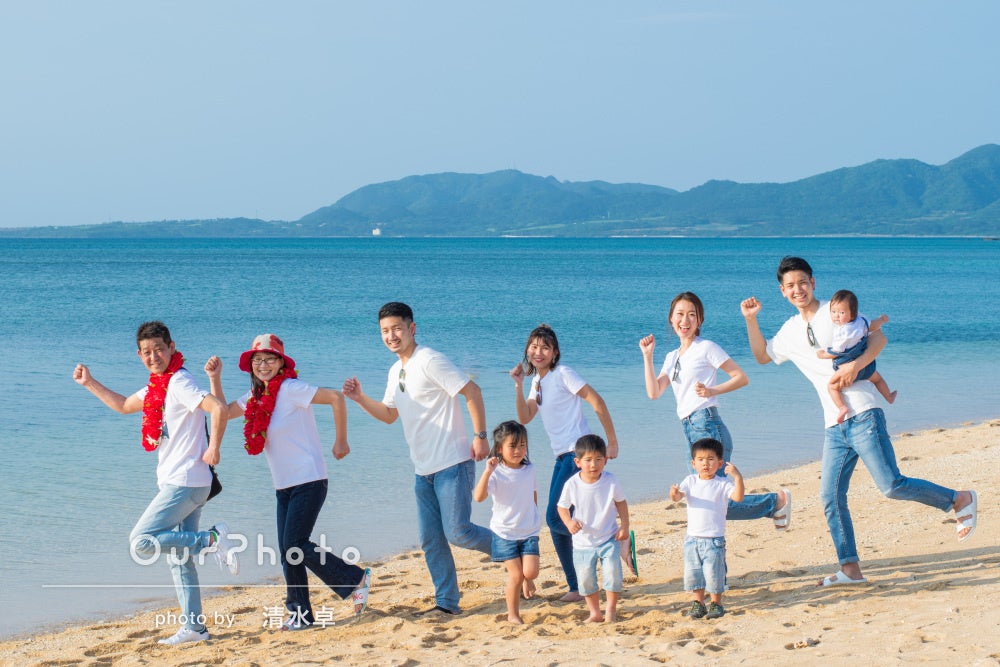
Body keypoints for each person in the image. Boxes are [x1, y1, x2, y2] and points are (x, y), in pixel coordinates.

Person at [741, 256, 978, 587]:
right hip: (834, 424)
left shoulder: (836, 311)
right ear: (782, 291)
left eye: (803, 282)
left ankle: (958, 499)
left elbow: (879, 338)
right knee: (831, 497)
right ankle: (850, 569)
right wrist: (751, 320)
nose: (798, 290)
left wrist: (855, 366)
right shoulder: (790, 331)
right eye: (791, 286)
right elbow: (763, 356)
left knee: (891, 485)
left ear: (814, 283)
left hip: (864, 412)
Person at [72, 321, 239, 646]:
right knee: (179, 557)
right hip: (185, 483)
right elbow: (122, 405)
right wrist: (89, 382)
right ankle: (195, 628)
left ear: (172, 347)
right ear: (139, 355)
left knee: (141, 540)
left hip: (186, 482)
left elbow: (217, 407)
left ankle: (211, 539)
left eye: (159, 349)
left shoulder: (179, 382)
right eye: (147, 352)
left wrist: (214, 447)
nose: (154, 356)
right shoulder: (156, 388)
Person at [209, 333, 371, 631]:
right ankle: (300, 615)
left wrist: (341, 441)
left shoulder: (293, 388)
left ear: (281, 362)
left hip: (309, 479)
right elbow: (222, 412)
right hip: (283, 486)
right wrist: (215, 379)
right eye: (257, 360)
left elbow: (335, 397)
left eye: (270, 359)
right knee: (289, 551)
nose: (263, 365)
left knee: (295, 545)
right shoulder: (254, 399)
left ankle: (353, 578)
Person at [343, 302, 492, 616]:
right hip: (422, 469)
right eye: (385, 331)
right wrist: (359, 399)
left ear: (412, 328)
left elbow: (472, 391)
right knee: (430, 539)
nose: (391, 335)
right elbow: (388, 415)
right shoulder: (395, 370)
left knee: (459, 532)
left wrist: (480, 436)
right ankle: (447, 604)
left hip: (452, 461)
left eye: (397, 328)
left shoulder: (430, 360)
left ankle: (515, 549)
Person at [639, 291, 790, 528]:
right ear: (671, 318)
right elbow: (654, 392)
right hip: (690, 428)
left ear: (699, 321)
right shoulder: (671, 357)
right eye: (680, 314)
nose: (685, 321)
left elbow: (741, 377)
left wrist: (712, 390)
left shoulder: (706, 347)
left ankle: (775, 502)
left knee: (714, 498)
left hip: (707, 425)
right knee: (706, 497)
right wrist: (647, 357)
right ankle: (774, 507)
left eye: (692, 315)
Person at [510, 324, 621, 603]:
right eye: (534, 347)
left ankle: (596, 554)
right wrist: (518, 384)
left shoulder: (563, 374)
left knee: (554, 517)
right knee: (562, 518)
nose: (538, 352)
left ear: (555, 352)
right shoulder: (537, 382)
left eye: (545, 347)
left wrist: (611, 441)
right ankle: (580, 583)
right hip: (562, 457)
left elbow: (596, 400)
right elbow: (525, 417)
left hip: (578, 453)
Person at [473, 420, 541, 625]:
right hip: (504, 533)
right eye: (512, 446)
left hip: (529, 530)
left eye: (522, 445)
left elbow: (533, 493)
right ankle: (513, 614)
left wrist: (535, 516)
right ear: (500, 448)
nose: (518, 450)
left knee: (531, 572)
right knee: (516, 575)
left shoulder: (529, 469)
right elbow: (478, 497)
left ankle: (527, 581)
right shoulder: (496, 473)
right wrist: (487, 472)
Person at [556, 435, 629, 623]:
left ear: (605, 460)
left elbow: (621, 503)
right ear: (578, 462)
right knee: (586, 580)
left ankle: (611, 610)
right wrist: (569, 523)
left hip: (608, 537)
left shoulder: (611, 481)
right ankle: (595, 612)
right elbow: (562, 507)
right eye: (588, 460)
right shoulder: (572, 483)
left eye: (598, 459)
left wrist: (625, 526)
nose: (593, 465)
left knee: (613, 575)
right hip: (582, 542)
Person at [670, 438, 744, 620]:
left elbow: (738, 497)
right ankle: (698, 603)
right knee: (694, 572)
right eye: (701, 459)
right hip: (692, 538)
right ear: (693, 463)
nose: (705, 463)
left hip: (714, 538)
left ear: (719, 463)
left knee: (714, 573)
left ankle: (716, 603)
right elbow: (679, 496)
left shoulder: (722, 483)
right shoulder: (690, 481)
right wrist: (674, 494)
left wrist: (738, 477)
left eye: (711, 459)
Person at [815, 289, 896, 423]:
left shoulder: (843, 333)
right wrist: (882, 319)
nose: (836, 316)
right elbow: (873, 326)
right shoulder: (861, 321)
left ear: (851, 314)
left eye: (841, 313)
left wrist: (823, 354)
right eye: (833, 311)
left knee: (832, 387)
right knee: (878, 379)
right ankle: (889, 396)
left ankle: (842, 408)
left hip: (847, 371)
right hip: (866, 367)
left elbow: (837, 352)